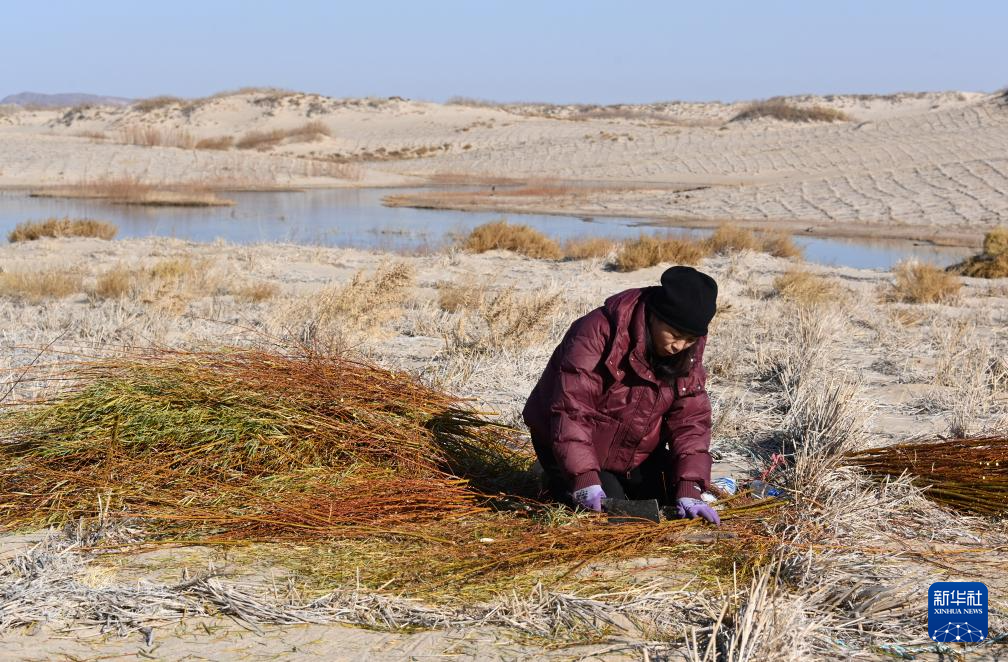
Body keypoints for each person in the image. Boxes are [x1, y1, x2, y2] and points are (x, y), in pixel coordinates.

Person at [522, 265, 720, 525]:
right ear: (654, 316)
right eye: (675, 335)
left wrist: (690, 487)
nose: (679, 346)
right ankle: (553, 475)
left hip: (629, 449)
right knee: (612, 515)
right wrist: (583, 478)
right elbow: (572, 409)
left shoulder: (687, 355)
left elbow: (691, 422)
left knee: (668, 501)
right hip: (566, 440)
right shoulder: (597, 331)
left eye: (690, 339)